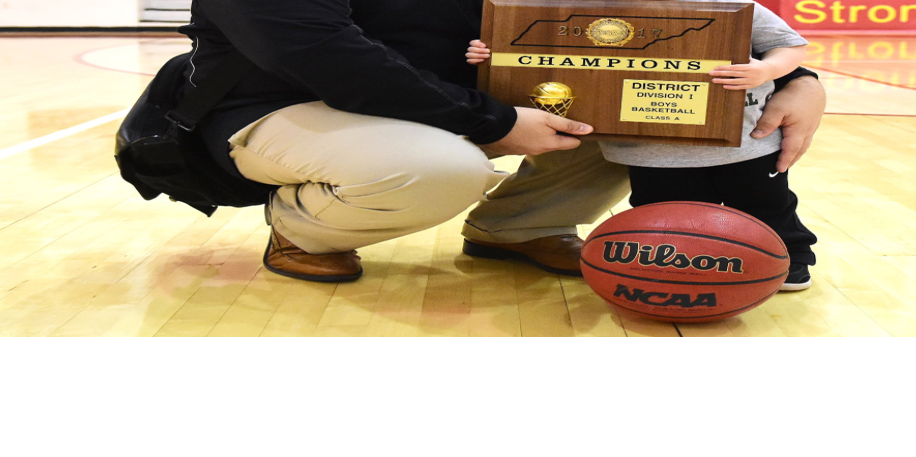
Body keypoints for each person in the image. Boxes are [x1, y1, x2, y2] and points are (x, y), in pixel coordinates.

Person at [181, 0, 826, 284]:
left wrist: (796, 75)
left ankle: (518, 228)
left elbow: (638, 14)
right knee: (438, 168)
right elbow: (316, 52)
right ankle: (306, 230)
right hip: (280, 107)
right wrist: (493, 122)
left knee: (638, 109)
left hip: (446, 104)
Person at [469, 1, 819, 291]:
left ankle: (790, 259)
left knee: (767, 205)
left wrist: (768, 69)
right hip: (648, 148)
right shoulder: (582, 11)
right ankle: (677, 268)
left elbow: (789, 45)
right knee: (663, 216)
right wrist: (494, 53)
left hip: (746, 143)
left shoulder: (731, 6)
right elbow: (534, 50)